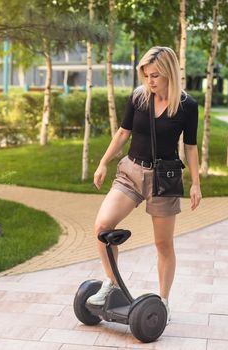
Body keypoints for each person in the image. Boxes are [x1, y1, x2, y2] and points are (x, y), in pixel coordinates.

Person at [86, 46, 202, 325]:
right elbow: (123, 133)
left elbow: (190, 147)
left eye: (156, 76)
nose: (150, 81)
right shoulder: (139, 98)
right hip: (131, 171)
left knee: (163, 244)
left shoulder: (187, 106)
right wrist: (103, 162)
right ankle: (111, 284)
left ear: (170, 75)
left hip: (165, 177)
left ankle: (162, 302)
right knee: (102, 227)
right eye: (146, 75)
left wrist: (196, 183)